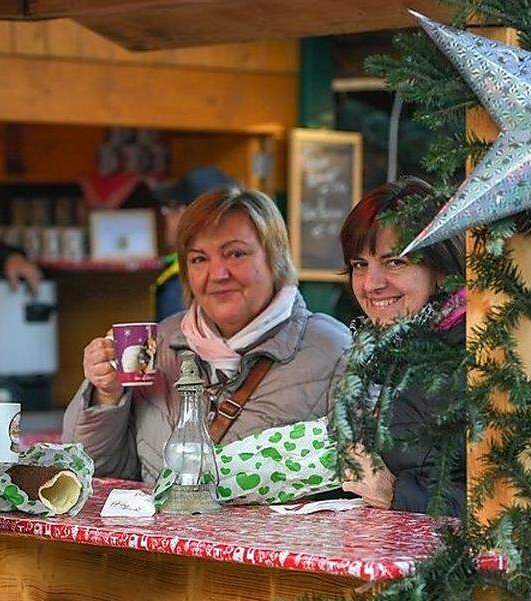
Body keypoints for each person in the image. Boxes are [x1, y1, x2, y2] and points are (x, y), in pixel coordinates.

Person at [63, 186, 353, 482]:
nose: (218, 274)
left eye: (235, 254)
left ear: (274, 258)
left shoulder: (333, 352)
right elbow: (99, 476)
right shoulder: (161, 342)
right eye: (199, 259)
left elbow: (360, 488)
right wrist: (107, 396)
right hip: (167, 528)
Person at [338, 176, 468, 516]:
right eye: (359, 265)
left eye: (395, 262)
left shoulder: (481, 353)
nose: (371, 284)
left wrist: (396, 494)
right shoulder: (373, 354)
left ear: (441, 269)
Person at [151, 166, 239, 321]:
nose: (166, 216)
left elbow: (175, 342)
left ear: (189, 214)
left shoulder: (179, 283)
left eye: (172, 207)